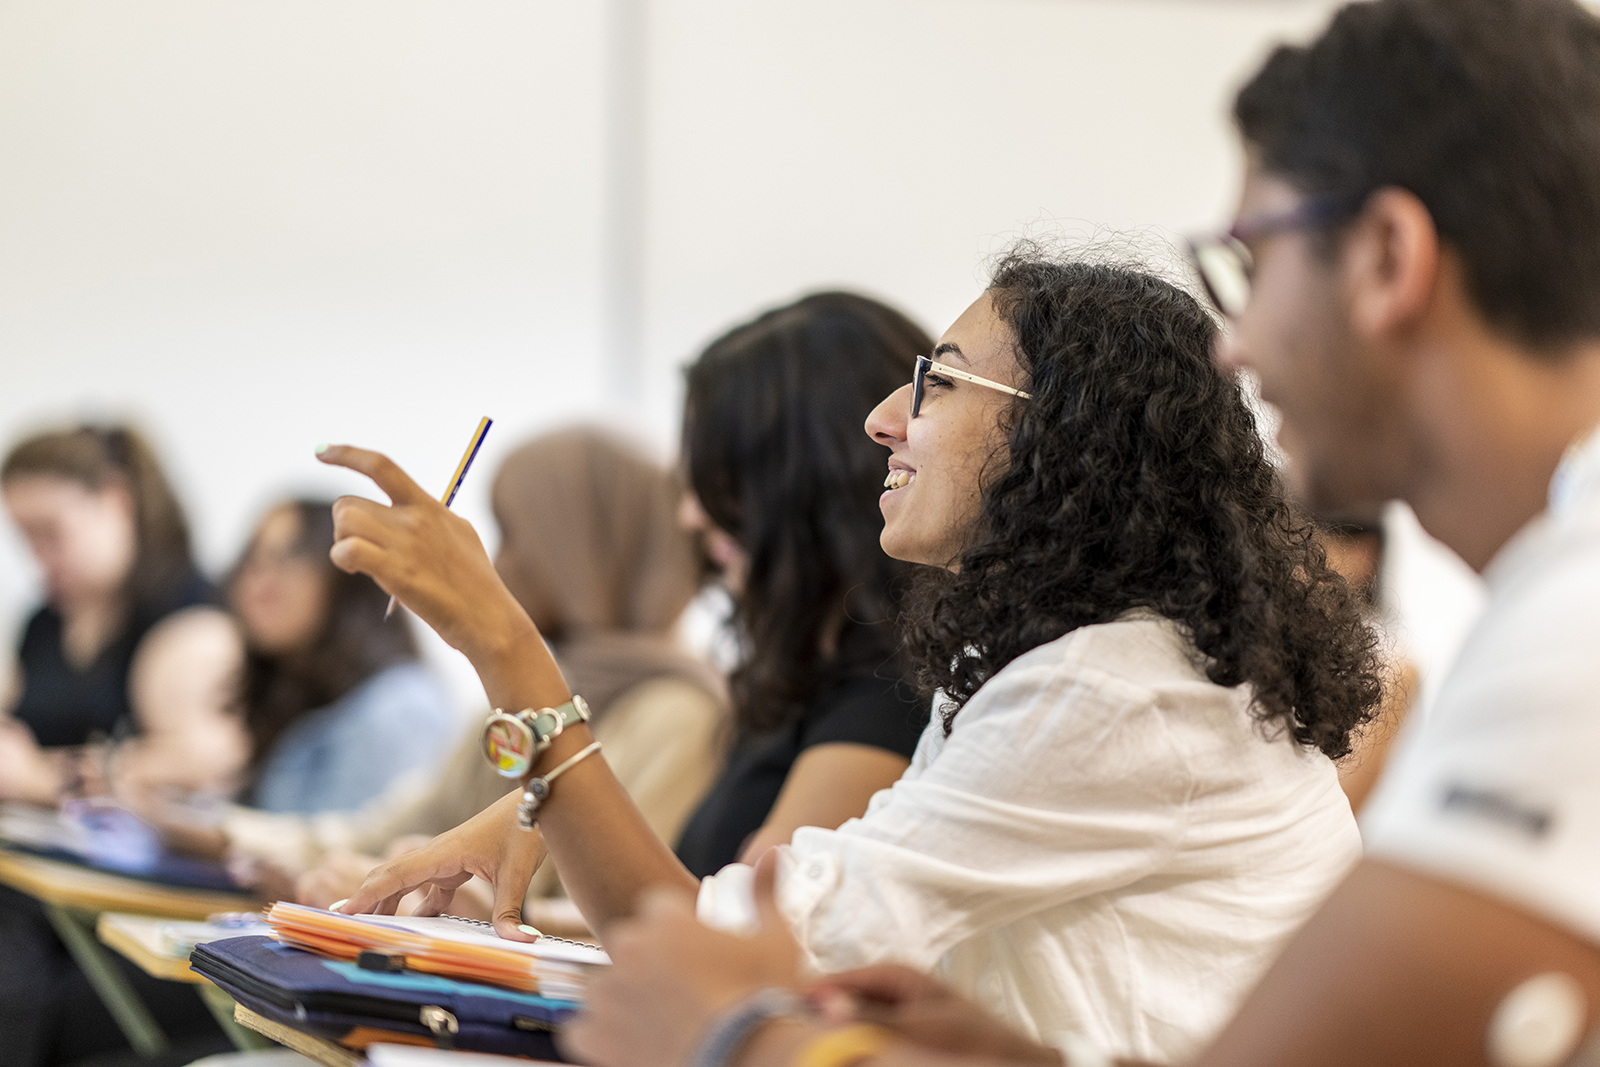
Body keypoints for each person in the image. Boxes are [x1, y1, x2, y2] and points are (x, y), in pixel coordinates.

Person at [562, 2, 1600, 1065]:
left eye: (1250, 263)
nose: (1232, 346)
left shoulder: (1570, 633)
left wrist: (743, 1038)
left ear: (1386, 257)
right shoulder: (1546, 603)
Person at [317, 259, 1380, 1061]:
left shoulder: (1112, 691)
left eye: (937, 386)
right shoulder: (1049, 667)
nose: (882, 419)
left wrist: (501, 642)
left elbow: (724, 943)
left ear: (1061, 439)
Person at [219, 428, 727, 930]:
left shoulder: (682, 715)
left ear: (580, 549)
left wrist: (477, 908)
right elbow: (400, 828)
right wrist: (224, 834)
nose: (498, 564)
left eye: (513, 534)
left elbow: (634, 916)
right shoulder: (526, 698)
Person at [0, 424, 243, 804]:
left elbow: (210, 762)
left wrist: (37, 777)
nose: (37, 557)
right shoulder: (44, 623)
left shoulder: (188, 620)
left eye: (49, 531)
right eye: (25, 537)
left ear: (115, 500)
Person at [225, 497, 456, 813]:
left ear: (349, 574)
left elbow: (376, 853)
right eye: (251, 557)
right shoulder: (286, 694)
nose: (261, 576)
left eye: (291, 553)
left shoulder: (400, 708)